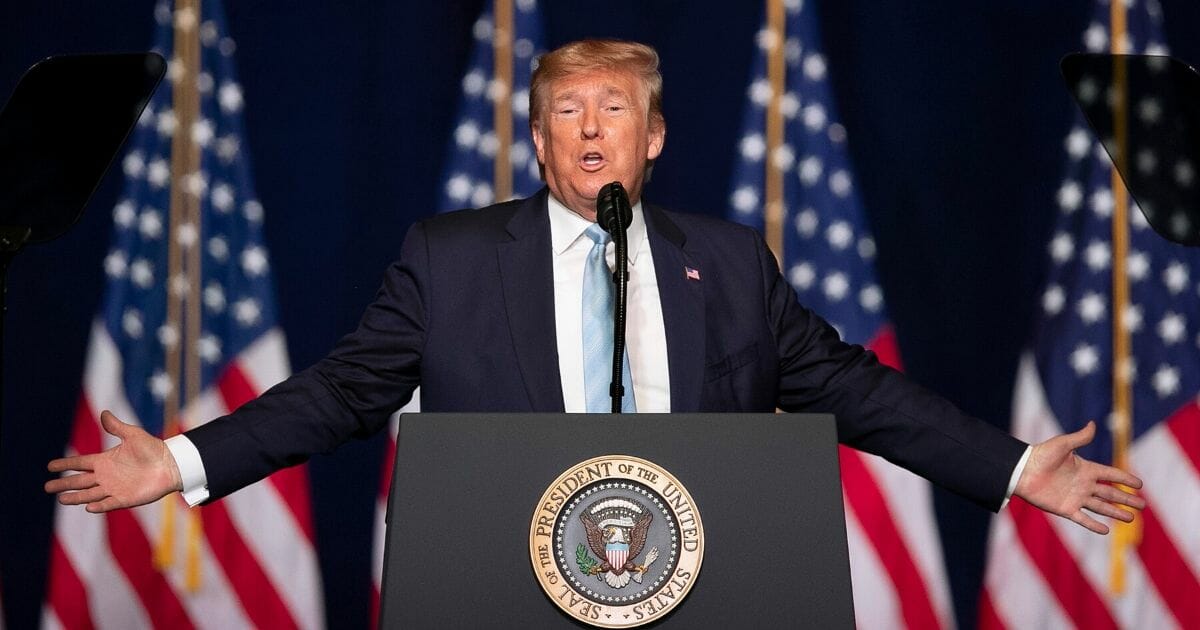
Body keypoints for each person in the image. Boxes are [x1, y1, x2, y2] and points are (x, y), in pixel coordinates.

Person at [47, 39, 1143, 535]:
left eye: (611, 107)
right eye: (564, 111)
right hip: (502, 589)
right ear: (535, 142)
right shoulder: (452, 255)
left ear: (654, 136)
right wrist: (183, 461)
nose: (588, 128)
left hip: (702, 585)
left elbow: (856, 391)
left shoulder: (730, 263)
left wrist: (1009, 469)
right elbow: (339, 394)